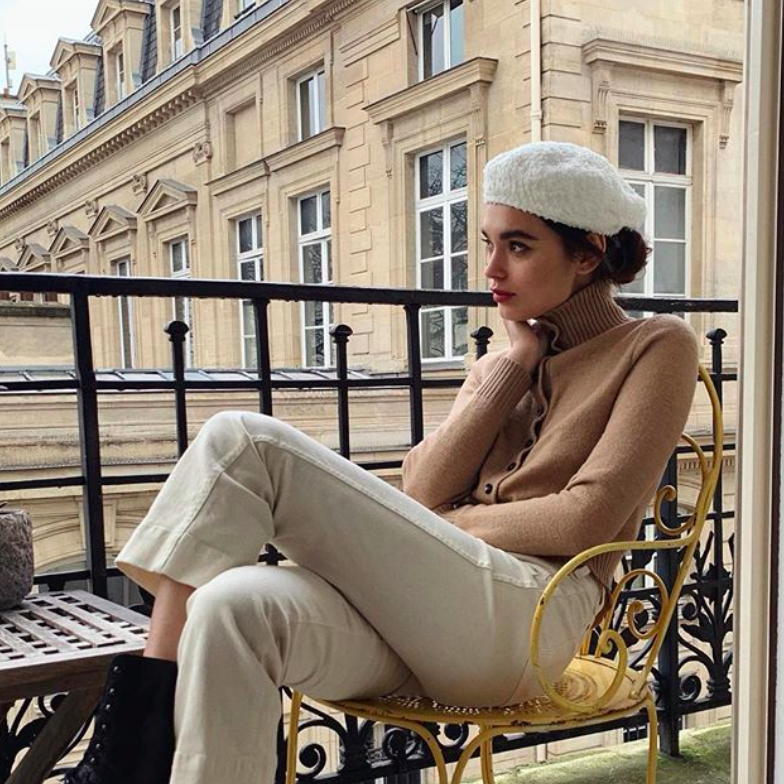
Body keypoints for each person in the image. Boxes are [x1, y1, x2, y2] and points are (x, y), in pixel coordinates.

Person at [63, 141, 699, 784]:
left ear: (587, 253)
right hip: (430, 618)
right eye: (487, 242)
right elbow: (422, 490)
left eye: (519, 246)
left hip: (530, 621)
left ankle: (125, 758)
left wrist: (448, 524)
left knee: (245, 442)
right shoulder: (506, 362)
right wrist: (509, 368)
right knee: (230, 606)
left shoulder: (657, 345)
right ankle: (145, 759)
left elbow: (583, 521)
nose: (490, 267)